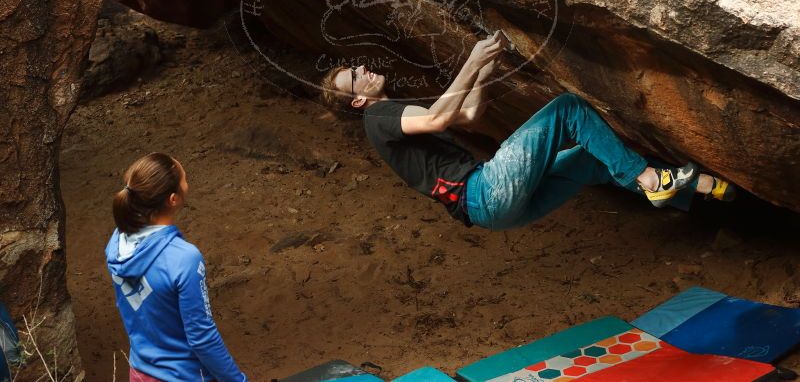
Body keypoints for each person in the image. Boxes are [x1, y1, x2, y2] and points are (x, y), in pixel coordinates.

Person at [319, 31, 735, 230]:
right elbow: (439, 119)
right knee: (569, 109)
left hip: (494, 212)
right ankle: (650, 178)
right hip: (484, 191)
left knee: (592, 158)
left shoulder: (390, 118)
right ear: (358, 101)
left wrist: (484, 69)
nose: (364, 70)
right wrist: (470, 58)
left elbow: (466, 118)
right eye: (356, 77)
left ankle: (694, 186)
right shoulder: (379, 116)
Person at [105, 153, 247, 382]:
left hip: (141, 373)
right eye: (185, 179)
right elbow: (202, 337)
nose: (187, 183)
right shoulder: (183, 259)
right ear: (173, 199)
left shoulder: (117, 243)